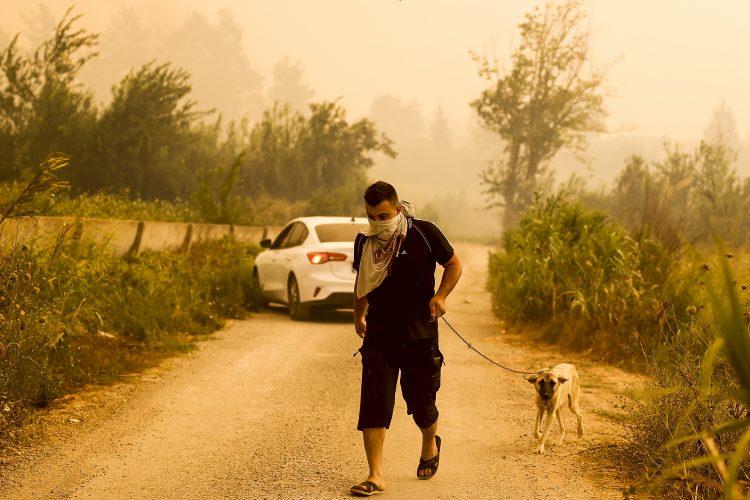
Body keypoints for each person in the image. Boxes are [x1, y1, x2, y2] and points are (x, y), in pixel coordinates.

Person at [349, 181, 462, 497]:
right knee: (375, 400)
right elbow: (363, 281)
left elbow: (454, 264)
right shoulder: (365, 242)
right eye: (371, 216)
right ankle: (375, 475)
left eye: (383, 215)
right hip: (380, 332)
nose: (378, 222)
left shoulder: (424, 232)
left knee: (421, 403)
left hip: (419, 333)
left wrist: (440, 296)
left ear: (397, 209)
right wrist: (358, 315)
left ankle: (430, 440)